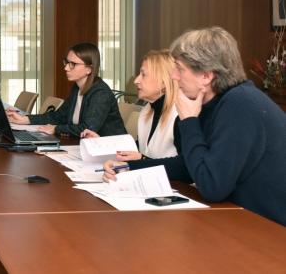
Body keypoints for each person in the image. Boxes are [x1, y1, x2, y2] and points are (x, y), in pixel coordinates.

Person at [102, 27, 286, 226]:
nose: (173, 76)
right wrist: (130, 168)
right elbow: (190, 166)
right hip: (242, 219)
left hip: (270, 231)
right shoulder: (217, 102)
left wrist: (189, 121)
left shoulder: (240, 105)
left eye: (179, 68)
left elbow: (211, 186)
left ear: (206, 77)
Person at [6, 42, 126, 137]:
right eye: (67, 62)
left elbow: (88, 129)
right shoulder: (77, 87)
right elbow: (59, 116)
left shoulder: (100, 93)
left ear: (89, 69)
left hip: (113, 152)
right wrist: (25, 119)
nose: (66, 68)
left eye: (73, 64)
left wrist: (55, 129)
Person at [82, 50, 181, 160]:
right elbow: (139, 149)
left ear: (163, 82)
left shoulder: (180, 116)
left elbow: (184, 168)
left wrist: (142, 159)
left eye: (143, 75)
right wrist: (102, 144)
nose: (136, 80)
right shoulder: (147, 110)